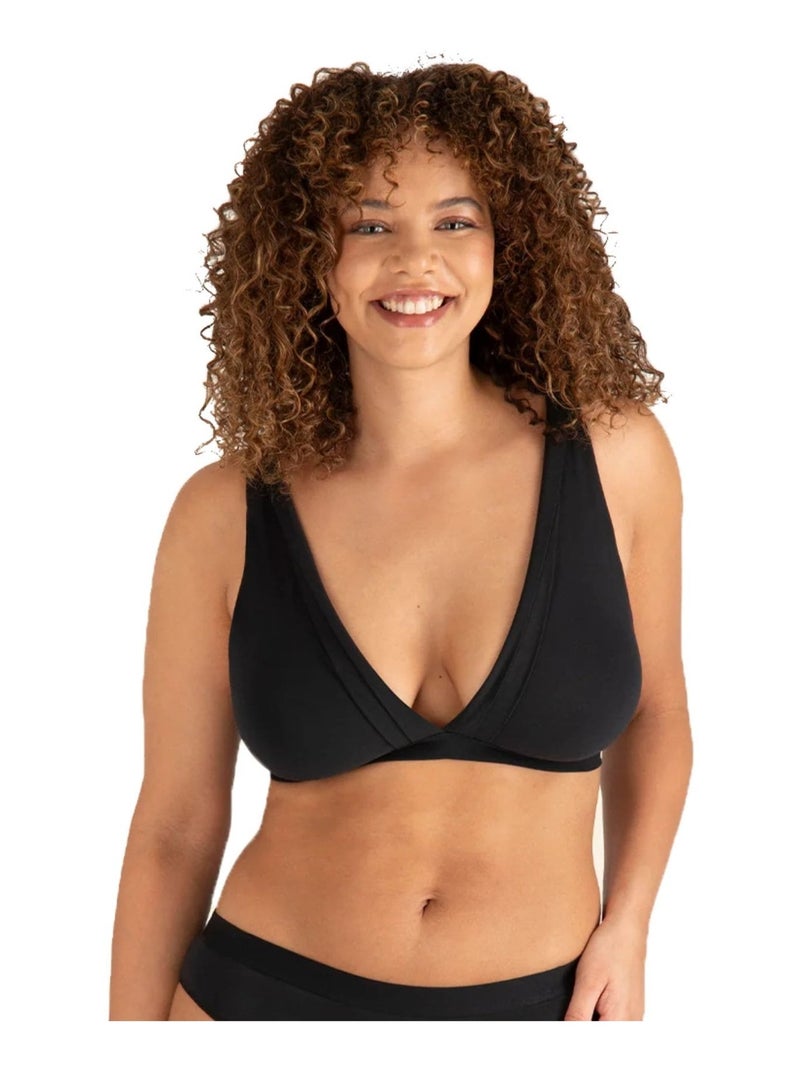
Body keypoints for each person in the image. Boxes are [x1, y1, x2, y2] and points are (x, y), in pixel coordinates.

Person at [108, 61, 692, 1021]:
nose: (417, 262)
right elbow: (174, 825)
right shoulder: (223, 512)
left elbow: (658, 714)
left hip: (541, 1010)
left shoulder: (617, 457)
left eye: (455, 222)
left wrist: (628, 925)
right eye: (370, 227)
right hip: (256, 1002)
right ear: (310, 259)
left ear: (510, 245)